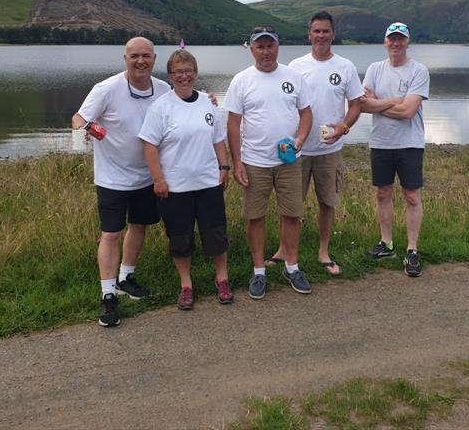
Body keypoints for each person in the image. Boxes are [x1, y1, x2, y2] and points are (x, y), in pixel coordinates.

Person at [72, 36, 170, 327]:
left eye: (146, 56)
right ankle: (108, 294)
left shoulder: (163, 89)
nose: (141, 61)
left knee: (139, 226)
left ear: (154, 59)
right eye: (134, 56)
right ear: (125, 59)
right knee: (111, 234)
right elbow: (77, 117)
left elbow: (184, 104)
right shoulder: (106, 89)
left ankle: (126, 277)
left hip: (146, 175)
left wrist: (209, 100)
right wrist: (86, 127)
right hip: (111, 177)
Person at [265, 11, 363, 276]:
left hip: (329, 150)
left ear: (333, 34)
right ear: (309, 34)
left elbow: (356, 104)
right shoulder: (295, 66)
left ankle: (323, 252)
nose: (321, 36)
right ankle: (283, 250)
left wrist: (344, 128)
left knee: (327, 202)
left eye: (326, 31)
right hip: (297, 151)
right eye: (316, 31)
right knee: (289, 204)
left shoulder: (345, 67)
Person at [140, 50, 233, 310]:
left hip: (207, 183)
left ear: (195, 73)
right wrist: (158, 179)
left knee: (216, 234)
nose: (184, 76)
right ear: (170, 76)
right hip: (175, 187)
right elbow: (149, 145)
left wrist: (224, 166)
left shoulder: (208, 102)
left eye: (188, 70)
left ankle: (222, 280)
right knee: (180, 239)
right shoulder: (161, 107)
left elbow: (218, 139)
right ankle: (186, 286)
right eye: (178, 72)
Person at [224, 27, 313, 299]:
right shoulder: (241, 80)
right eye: (260, 47)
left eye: (270, 46)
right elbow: (233, 123)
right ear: (252, 49)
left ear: (278, 47)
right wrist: (236, 162)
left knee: (292, 214)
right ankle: (259, 270)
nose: (266, 51)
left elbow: (306, 113)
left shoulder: (294, 76)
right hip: (254, 162)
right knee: (255, 216)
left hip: (288, 160)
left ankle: (291, 266)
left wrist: (300, 139)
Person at [360, 22, 430, 277]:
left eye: (401, 39)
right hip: (381, 142)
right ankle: (386, 243)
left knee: (411, 196)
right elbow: (363, 104)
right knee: (382, 193)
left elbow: (409, 111)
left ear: (408, 42)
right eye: (392, 39)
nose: (396, 43)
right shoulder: (374, 70)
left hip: (409, 143)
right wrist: (392, 102)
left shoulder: (418, 71)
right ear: (385, 42)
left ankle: (412, 250)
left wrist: (378, 103)